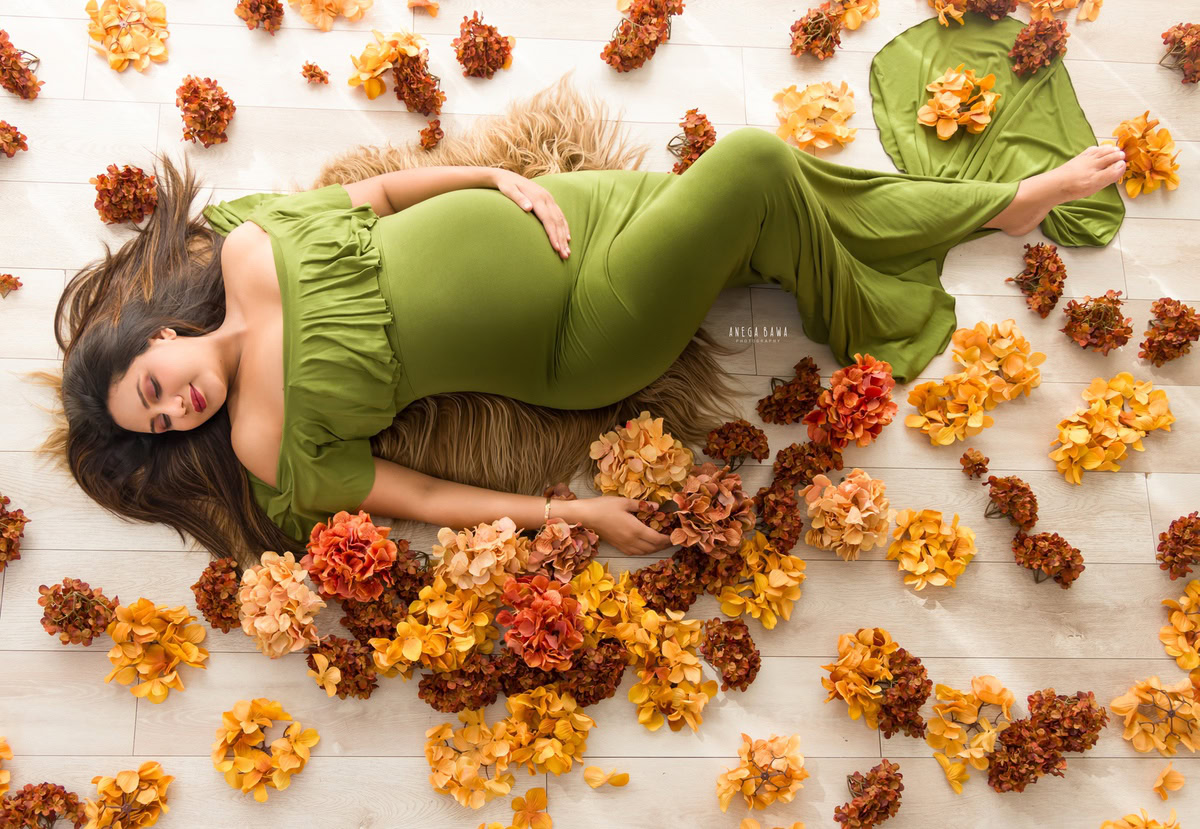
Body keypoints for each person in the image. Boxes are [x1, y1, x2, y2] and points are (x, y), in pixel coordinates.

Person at [39, 51, 1127, 567]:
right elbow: (423, 492)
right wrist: (585, 518)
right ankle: (996, 211)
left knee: (763, 206)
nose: (178, 404)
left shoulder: (250, 244)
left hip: (577, 208)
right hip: (582, 339)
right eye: (165, 425)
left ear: (157, 337)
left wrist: (494, 180)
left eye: (151, 386)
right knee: (752, 163)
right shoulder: (272, 444)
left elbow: (373, 195)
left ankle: (965, 216)